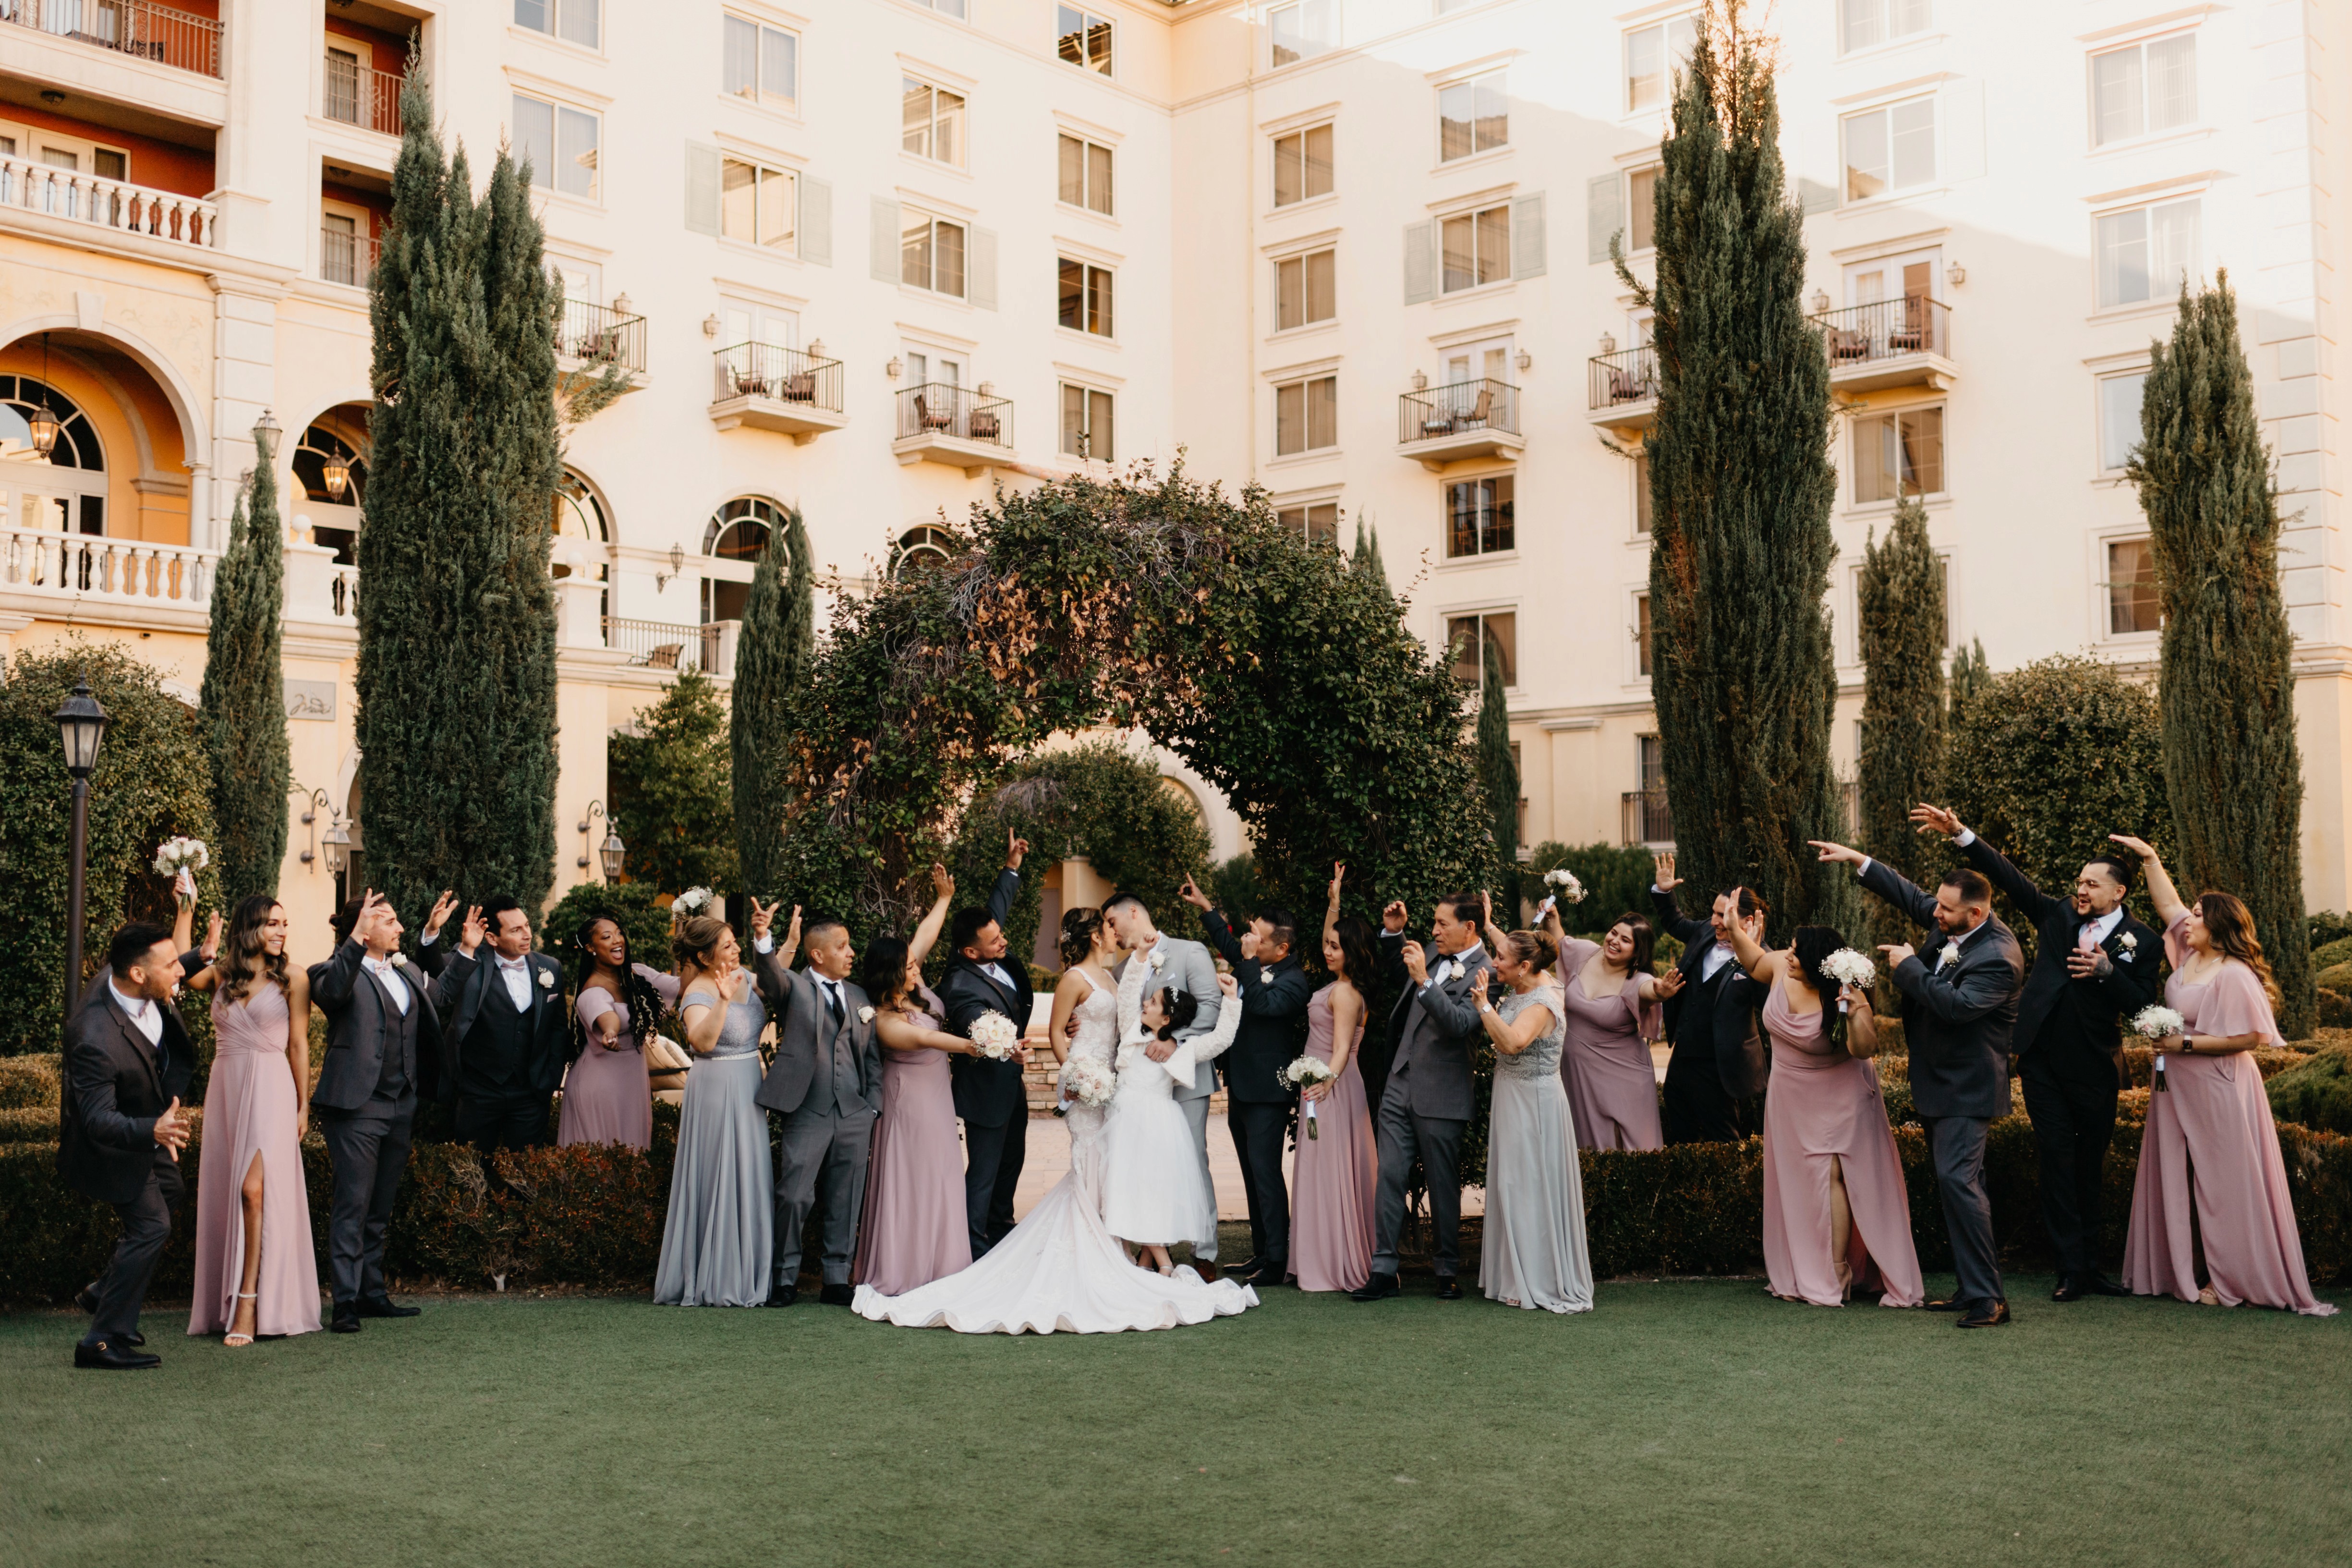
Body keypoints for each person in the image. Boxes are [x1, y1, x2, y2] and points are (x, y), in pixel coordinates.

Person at [854, 907, 1260, 1333]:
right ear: (1094, 936)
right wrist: (1075, 1076)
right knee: (1087, 1164)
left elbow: (1130, 1020)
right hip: (1088, 1087)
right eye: (1108, 926)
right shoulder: (1073, 979)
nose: (1114, 930)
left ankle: (1117, 1252)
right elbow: (1055, 1033)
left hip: (1115, 1089)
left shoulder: (1112, 976)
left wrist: (1163, 1029)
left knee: (1110, 1171)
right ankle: (1095, 1257)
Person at [1912, 804, 2162, 1301]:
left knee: (2089, 1166)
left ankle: (2092, 1267)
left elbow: (2145, 1007)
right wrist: (1962, 833)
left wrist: (2108, 973)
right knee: (2055, 1161)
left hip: (2095, 1066)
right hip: (2041, 1062)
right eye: (2079, 881)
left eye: (2092, 883)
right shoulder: (2056, 915)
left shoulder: (2143, 942)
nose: (2081, 889)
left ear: (2119, 892)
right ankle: (2069, 1270)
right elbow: (2008, 876)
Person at [2111, 835, 2339, 1315]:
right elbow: (2168, 903)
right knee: (2169, 1172)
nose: (2186, 920)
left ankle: (2231, 1277)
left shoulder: (2232, 973)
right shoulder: (2188, 957)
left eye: (2197, 915)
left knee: (2223, 1183)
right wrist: (2149, 858)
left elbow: (2248, 1038)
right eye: (2190, 914)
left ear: (2215, 926)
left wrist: (2182, 1043)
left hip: (2218, 1083)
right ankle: (2170, 1270)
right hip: (2172, 1085)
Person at [1815, 838, 2024, 1328]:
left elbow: (1955, 1008)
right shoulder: (1955, 920)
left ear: (1974, 914)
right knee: (1960, 1185)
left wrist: (1908, 967)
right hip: (1938, 1082)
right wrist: (1859, 861)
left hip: (1966, 1089)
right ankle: (1975, 1287)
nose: (1936, 914)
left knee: (1959, 1182)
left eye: (1946, 910)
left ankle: (1987, 1300)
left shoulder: (1998, 956)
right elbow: (1912, 897)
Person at [1722, 913, 1924, 1308]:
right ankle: (1807, 1267)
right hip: (1791, 1096)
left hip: (1843, 1095)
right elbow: (1754, 960)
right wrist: (1733, 928)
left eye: (1798, 953)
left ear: (1820, 965)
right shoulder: (1782, 966)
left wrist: (1853, 1008)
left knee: (1836, 1175)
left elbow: (1864, 1049)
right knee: (1801, 1181)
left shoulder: (1848, 992)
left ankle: (1836, 1271)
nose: (1789, 956)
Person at [179, 895, 320, 1345]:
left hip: (273, 1087)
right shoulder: (223, 973)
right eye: (272, 924)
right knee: (229, 1189)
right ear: (249, 928)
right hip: (227, 1086)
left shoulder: (295, 978)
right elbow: (179, 969)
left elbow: (298, 1045)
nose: (282, 931)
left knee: (253, 1190)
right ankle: (230, 1299)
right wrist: (186, 911)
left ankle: (250, 1299)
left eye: (285, 923)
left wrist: (303, 1105)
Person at [59, 923, 199, 1368]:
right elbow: (97, 1119)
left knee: (172, 1190)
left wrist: (201, 953)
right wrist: (153, 1131)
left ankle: (106, 1291)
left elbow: (165, 968)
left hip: (145, 1125)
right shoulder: (93, 1036)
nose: (182, 969)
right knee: (152, 1225)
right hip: (113, 1142)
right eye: (173, 964)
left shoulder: (135, 980)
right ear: (139, 975)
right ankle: (98, 1341)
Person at [309, 891, 442, 1334]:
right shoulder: (330, 970)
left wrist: (463, 948)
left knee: (380, 1207)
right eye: (388, 921)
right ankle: (344, 1301)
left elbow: (440, 997)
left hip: (401, 1103)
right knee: (353, 1204)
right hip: (356, 1105)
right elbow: (331, 992)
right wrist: (356, 939)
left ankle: (371, 1291)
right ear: (364, 928)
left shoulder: (406, 972)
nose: (399, 928)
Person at [851, 866, 982, 1296]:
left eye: (914, 963)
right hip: (909, 1101)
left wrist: (943, 899)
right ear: (889, 974)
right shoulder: (886, 1019)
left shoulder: (912, 983)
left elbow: (923, 937)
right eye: (908, 966)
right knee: (917, 1175)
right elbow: (924, 1036)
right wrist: (969, 1045)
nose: (915, 968)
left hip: (936, 1098)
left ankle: (945, 1263)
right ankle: (908, 1265)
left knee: (942, 1171)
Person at [1355, 891, 1492, 1302]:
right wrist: (1393, 935)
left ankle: (1447, 1270)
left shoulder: (1489, 971)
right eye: (1433, 922)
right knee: (1391, 1176)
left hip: (1444, 1091)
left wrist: (1425, 981)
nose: (1433, 931)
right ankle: (1384, 1270)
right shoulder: (1435, 949)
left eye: (1442, 924)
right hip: (1400, 1082)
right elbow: (1407, 974)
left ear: (1469, 927)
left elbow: (1461, 1023)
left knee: (1443, 1185)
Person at [1179, 875, 1313, 1287]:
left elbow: (1261, 1003)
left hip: (1269, 1092)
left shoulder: (1294, 981)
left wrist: (1250, 963)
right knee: (1251, 1173)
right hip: (1242, 1085)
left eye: (1258, 936)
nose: (1249, 941)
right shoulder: (1260, 962)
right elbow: (1228, 941)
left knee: (1267, 1172)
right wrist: (1205, 906)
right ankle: (1261, 1250)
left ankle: (1277, 1259)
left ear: (1282, 947)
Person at [753, 906, 885, 1307]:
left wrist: (872, 1107)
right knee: (794, 1195)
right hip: (808, 1110)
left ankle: (835, 1278)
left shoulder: (860, 995)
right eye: (842, 946)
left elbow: (873, 1058)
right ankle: (784, 1278)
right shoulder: (794, 987)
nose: (851, 953)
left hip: (853, 1112)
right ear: (817, 955)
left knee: (847, 1197)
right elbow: (771, 978)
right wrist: (764, 940)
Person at [654, 909, 782, 1307]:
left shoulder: (746, 976)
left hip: (749, 1085)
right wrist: (723, 1002)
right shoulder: (698, 993)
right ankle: (715, 1274)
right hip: (715, 1086)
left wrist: (772, 937)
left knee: (748, 1170)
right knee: (717, 1173)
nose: (736, 948)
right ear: (707, 957)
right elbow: (702, 1042)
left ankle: (749, 1271)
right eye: (728, 944)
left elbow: (782, 984)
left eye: (735, 941)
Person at [1102, 890, 1229, 1276]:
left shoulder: (1191, 951)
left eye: (1112, 921)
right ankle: (1151, 1247)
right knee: (1145, 1165)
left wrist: (1175, 1040)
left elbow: (1210, 1006)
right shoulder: (1125, 970)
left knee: (1191, 1159)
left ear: (1135, 913)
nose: (1110, 930)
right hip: (1141, 1084)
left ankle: (1203, 1251)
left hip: (1185, 1077)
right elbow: (1119, 1019)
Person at [1470, 928, 1595, 1313]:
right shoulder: (1536, 974)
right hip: (1512, 1095)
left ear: (1525, 967)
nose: (1494, 962)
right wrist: (1490, 924)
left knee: (1529, 1183)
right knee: (1513, 1181)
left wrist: (1484, 1007)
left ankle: (1537, 1278)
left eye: (1501, 957)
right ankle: (1512, 1272)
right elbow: (1521, 946)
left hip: (1534, 1103)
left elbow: (1512, 1043)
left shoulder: (1541, 1002)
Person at [1104, 968, 1247, 1272]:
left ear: (1167, 1019)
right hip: (1124, 1121)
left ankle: (1164, 1265)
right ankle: (1145, 1265)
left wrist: (1232, 999)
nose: (1146, 1004)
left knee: (1150, 1190)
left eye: (1154, 1003)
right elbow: (1128, 996)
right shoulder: (1133, 1030)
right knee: (1128, 1187)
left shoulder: (1183, 1049)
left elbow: (1220, 1040)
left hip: (1156, 1124)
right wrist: (1141, 959)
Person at [940, 833, 1034, 1260]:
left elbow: (996, 909)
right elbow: (980, 1029)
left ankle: (1001, 1233)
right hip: (984, 1091)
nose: (1004, 941)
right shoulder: (959, 985)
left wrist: (1011, 866)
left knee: (1012, 1163)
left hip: (1011, 1085)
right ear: (969, 951)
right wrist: (1008, 1048)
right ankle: (974, 1250)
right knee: (983, 1172)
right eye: (994, 941)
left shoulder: (989, 939)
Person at [418, 894, 568, 1152]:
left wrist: (550, 1080)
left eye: (527, 926)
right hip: (479, 1091)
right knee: (475, 1168)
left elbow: (558, 1029)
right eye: (516, 930)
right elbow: (436, 974)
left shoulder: (550, 967)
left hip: (531, 1093)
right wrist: (432, 931)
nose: (527, 935)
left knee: (526, 1172)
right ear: (492, 938)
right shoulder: (470, 959)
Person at [1291, 866, 1378, 1293]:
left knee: (1329, 1169)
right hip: (1325, 1083)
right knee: (1322, 1168)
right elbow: (1333, 936)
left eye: (1336, 947)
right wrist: (1334, 902)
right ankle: (1319, 1254)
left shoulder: (1345, 993)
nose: (1328, 950)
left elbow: (1342, 1047)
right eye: (1327, 944)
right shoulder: (1344, 983)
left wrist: (1326, 1082)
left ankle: (1329, 1260)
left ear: (1353, 952)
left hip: (1333, 1087)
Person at [1649, 854, 1769, 1143]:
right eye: (1714, 913)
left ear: (1747, 921)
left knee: (1724, 1138)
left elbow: (1767, 1003)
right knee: (1679, 1131)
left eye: (1722, 916)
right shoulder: (1705, 931)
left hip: (1722, 1066)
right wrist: (1664, 892)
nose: (1713, 920)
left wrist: (1749, 955)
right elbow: (1676, 922)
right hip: (1683, 1055)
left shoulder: (1763, 957)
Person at [1553, 911, 1681, 1152]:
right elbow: (1560, 942)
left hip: (1624, 1075)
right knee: (1587, 1147)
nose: (1614, 941)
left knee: (1629, 1147)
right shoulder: (1585, 953)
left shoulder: (1638, 980)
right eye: (1614, 933)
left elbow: (1649, 991)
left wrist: (1661, 993)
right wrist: (1552, 917)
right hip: (1580, 1072)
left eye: (1626, 940)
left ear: (1637, 951)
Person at [564, 911, 678, 1152]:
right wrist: (610, 1033)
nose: (617, 940)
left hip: (631, 1078)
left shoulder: (638, 974)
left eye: (619, 933)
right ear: (590, 948)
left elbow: (681, 987)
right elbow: (608, 1017)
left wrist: (691, 951)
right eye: (607, 937)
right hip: (601, 1084)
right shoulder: (591, 990)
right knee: (604, 1157)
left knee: (632, 1154)